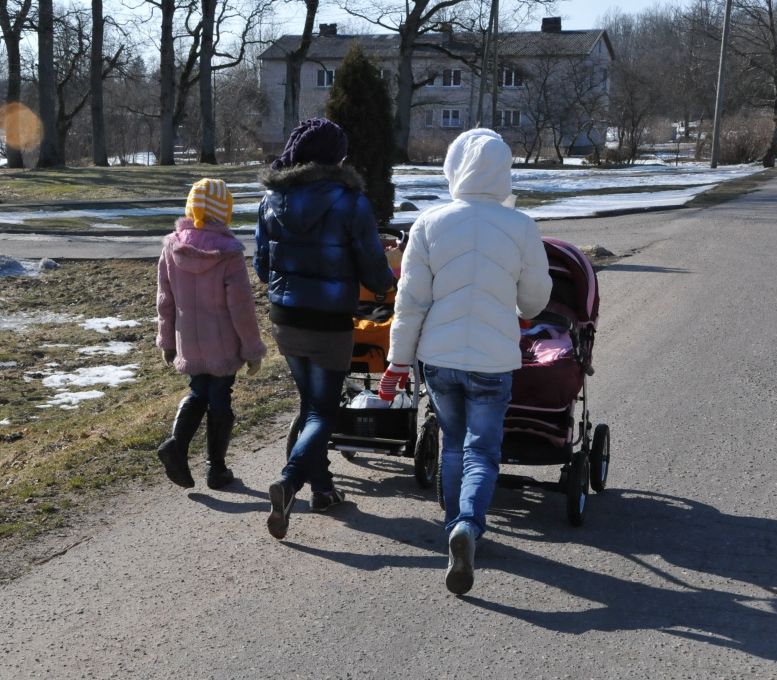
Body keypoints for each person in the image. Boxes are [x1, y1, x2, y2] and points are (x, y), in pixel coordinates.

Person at [378, 129, 552, 595]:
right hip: (493, 360)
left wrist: (397, 361)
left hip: (439, 356)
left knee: (453, 442)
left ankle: (453, 523)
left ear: (454, 168)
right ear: (504, 171)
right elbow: (534, 302)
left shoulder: (430, 224)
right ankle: (468, 526)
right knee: (483, 450)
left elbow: (410, 301)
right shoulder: (522, 227)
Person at [255, 117, 395, 539]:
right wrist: (386, 282)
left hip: (285, 317)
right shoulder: (349, 201)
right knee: (323, 411)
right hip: (330, 319)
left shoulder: (270, 200)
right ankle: (290, 480)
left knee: (310, 405)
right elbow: (374, 271)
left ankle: (323, 489)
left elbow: (263, 267)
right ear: (336, 157)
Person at [156, 178, 267, 490]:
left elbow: (165, 301)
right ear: (225, 212)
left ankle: (177, 445)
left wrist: (167, 341)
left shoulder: (171, 246)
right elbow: (241, 308)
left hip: (187, 340)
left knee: (198, 392)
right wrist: (252, 349)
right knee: (220, 397)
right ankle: (216, 469)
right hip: (222, 343)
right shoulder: (228, 254)